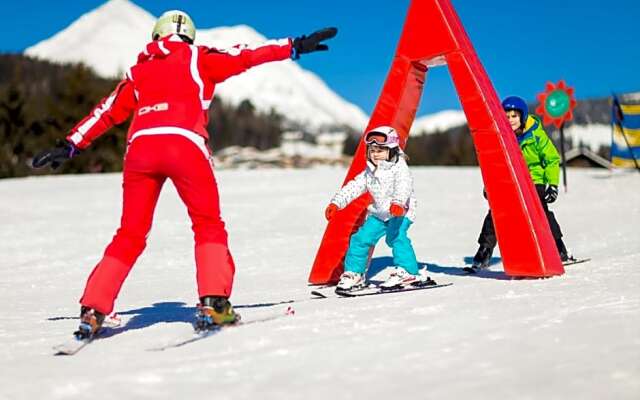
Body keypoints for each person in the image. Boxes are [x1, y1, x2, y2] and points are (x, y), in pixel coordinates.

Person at [31, 10, 337, 337]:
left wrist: (71, 144)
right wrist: (293, 46)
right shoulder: (198, 57)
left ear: (156, 37)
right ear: (189, 36)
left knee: (130, 234)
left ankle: (93, 308)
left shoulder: (139, 71)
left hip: (141, 152)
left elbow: (108, 111)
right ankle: (214, 303)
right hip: (185, 146)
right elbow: (245, 55)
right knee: (207, 224)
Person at [324, 126, 431, 292]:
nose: (375, 154)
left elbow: (404, 186)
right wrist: (336, 203)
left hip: (400, 212)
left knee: (395, 238)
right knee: (360, 239)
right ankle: (355, 274)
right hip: (379, 214)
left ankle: (409, 272)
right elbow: (353, 187)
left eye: (380, 150)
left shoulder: (399, 168)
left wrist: (398, 203)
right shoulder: (369, 172)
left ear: (392, 151)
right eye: (372, 150)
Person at [471, 95, 572, 270]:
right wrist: (490, 187)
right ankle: (484, 251)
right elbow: (494, 165)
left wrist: (552, 184)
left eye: (514, 116)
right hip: (510, 181)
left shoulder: (536, 135)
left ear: (522, 117)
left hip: (535, 180)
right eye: (507, 116)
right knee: (496, 211)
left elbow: (552, 159)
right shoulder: (500, 137)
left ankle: (559, 248)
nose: (510, 120)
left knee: (540, 211)